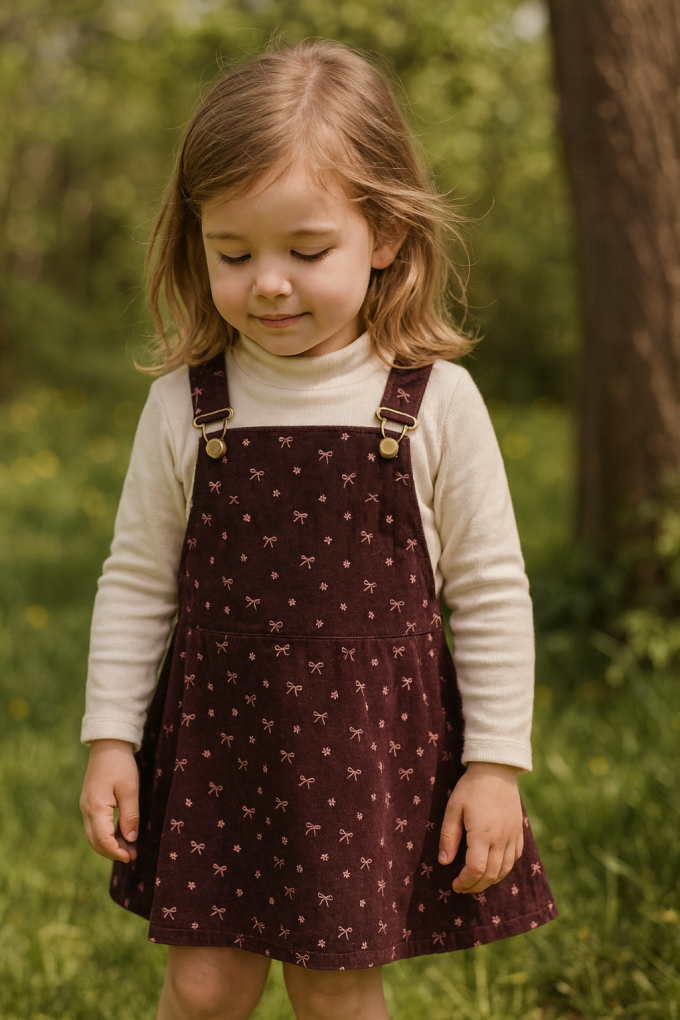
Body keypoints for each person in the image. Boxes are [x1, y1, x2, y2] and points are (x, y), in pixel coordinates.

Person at [79, 39, 556, 1020]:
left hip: (362, 754)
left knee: (335, 989)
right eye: (232, 253)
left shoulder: (432, 404)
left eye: (305, 252)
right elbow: (135, 581)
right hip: (220, 743)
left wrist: (493, 764)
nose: (268, 284)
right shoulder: (187, 405)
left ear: (381, 234)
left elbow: (490, 591)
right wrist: (110, 739)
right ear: (194, 240)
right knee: (204, 983)